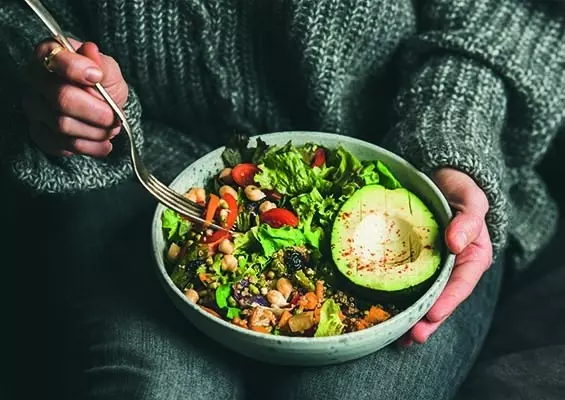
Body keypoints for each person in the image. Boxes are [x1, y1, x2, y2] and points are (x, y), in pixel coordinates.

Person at [0, 0, 563, 399]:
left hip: (411, 167)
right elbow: (28, 22)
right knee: (157, 388)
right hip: (133, 174)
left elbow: (504, 15)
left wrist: (453, 132)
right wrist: (52, 81)